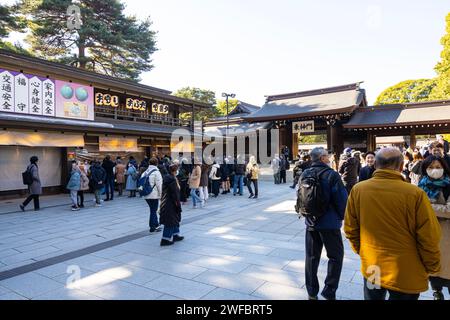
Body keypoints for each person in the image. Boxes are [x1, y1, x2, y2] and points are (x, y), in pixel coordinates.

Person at [345, 147, 441, 300]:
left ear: (375, 165)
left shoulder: (358, 190)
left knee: (373, 297)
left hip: (372, 266)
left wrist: (363, 251)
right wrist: (432, 265)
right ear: (402, 166)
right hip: (405, 269)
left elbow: (350, 229)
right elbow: (429, 236)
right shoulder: (415, 194)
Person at [296, 147, 347, 300]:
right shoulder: (332, 174)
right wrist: (342, 217)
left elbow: (300, 197)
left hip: (310, 222)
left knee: (311, 257)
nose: (330, 157)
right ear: (323, 158)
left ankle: (312, 291)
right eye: (328, 155)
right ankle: (329, 290)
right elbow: (341, 200)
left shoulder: (305, 173)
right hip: (329, 224)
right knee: (336, 257)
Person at [418, 156, 450, 300]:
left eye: (438, 167)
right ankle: (436, 291)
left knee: (446, 266)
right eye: (430, 167)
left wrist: (427, 207)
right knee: (432, 268)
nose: (434, 170)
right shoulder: (421, 184)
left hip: (446, 233)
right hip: (427, 232)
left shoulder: (448, 185)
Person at [160, 164, 184, 246]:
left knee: (174, 219)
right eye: (177, 170)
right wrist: (178, 204)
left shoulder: (168, 178)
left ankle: (175, 234)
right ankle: (165, 239)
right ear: (174, 171)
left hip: (167, 202)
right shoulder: (172, 180)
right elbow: (175, 194)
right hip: (170, 203)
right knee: (170, 221)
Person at [141, 158, 163, 233]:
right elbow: (159, 185)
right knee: (153, 210)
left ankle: (156, 224)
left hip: (146, 194)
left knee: (153, 210)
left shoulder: (145, 172)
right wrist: (161, 195)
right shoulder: (156, 172)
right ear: (156, 163)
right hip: (154, 195)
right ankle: (152, 227)